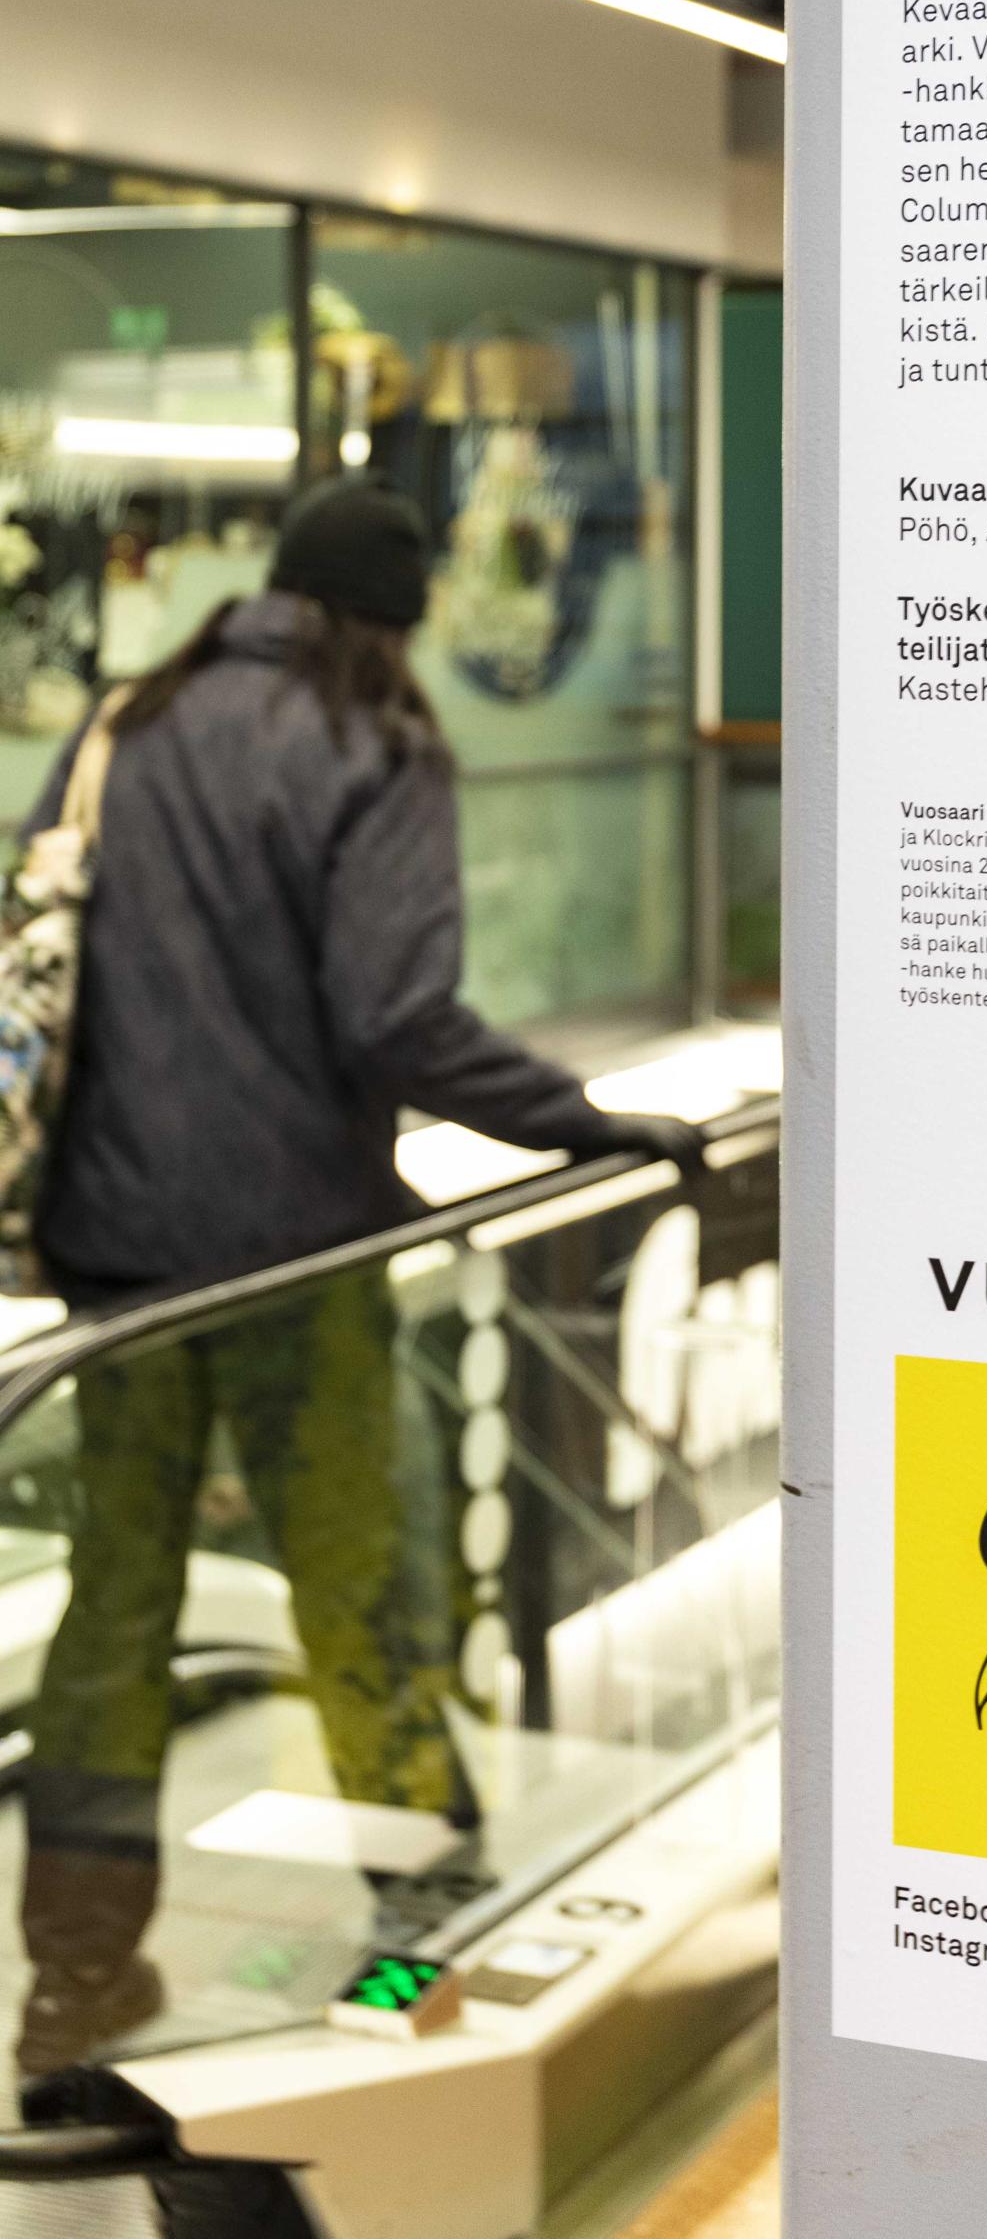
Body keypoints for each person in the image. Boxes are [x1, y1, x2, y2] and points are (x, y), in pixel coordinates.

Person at [12, 479, 701, 2078]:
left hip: (122, 1261)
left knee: (115, 1609)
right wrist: (586, 1121)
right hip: (293, 1260)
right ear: (390, 620)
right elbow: (398, 1016)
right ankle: (417, 1956)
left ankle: (74, 1982)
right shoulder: (372, 743)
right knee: (364, 1600)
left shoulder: (131, 721)